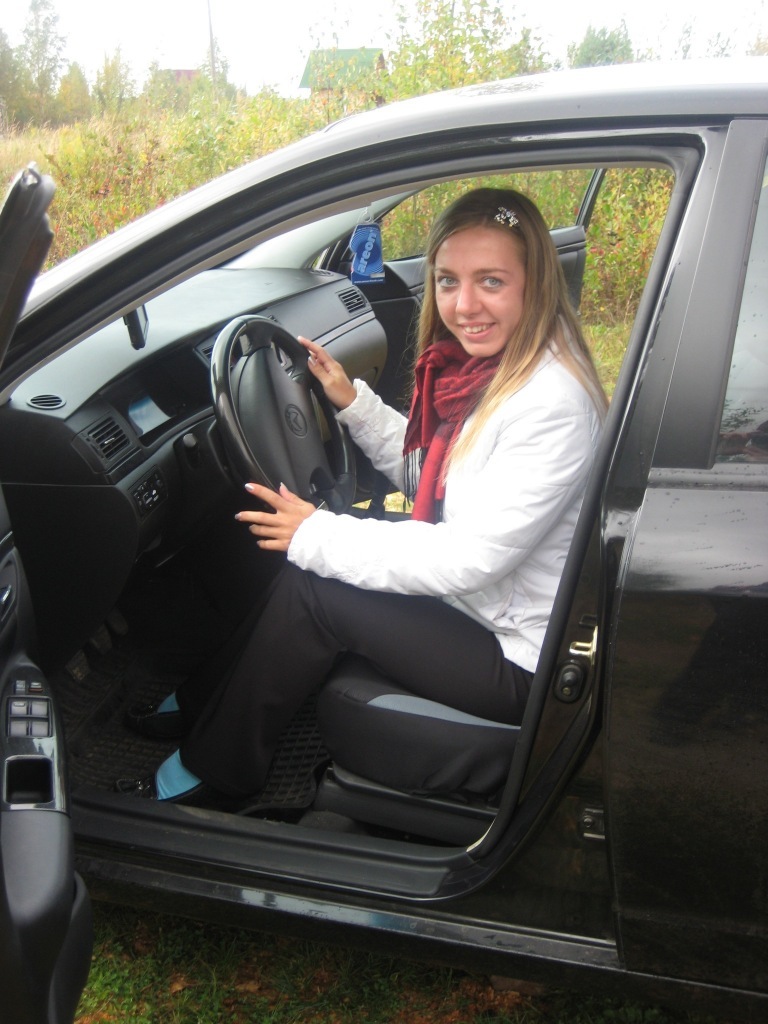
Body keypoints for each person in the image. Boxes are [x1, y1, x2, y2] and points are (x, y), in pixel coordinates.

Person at [116, 187, 607, 804]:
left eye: (491, 281)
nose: (463, 305)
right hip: (492, 609)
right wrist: (354, 406)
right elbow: (440, 481)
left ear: (535, 285)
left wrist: (317, 533)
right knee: (312, 566)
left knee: (316, 585)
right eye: (448, 281)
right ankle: (202, 705)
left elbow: (470, 558)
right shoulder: (498, 371)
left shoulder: (550, 405)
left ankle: (213, 776)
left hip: (524, 658)